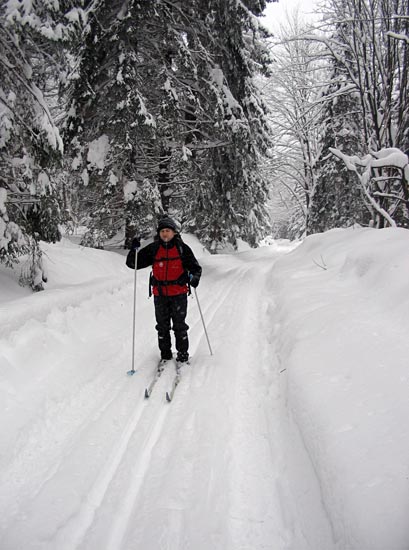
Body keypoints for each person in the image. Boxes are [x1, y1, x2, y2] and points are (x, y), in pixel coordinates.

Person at [126, 216, 202, 366]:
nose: (165, 234)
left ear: (173, 232)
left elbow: (195, 268)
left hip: (179, 293)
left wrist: (194, 278)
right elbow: (132, 263)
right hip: (160, 295)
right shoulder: (154, 249)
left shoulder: (182, 248)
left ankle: (182, 354)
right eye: (162, 231)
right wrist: (134, 249)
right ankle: (165, 355)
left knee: (179, 326)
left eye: (167, 231)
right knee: (162, 326)